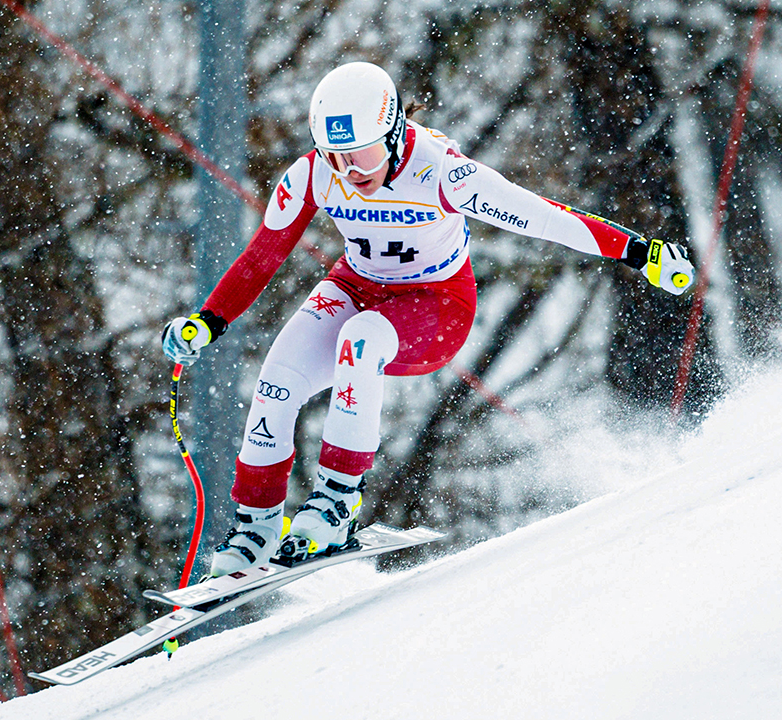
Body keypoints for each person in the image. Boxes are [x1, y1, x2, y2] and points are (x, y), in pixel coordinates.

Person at [162, 61, 694, 577]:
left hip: (436, 306)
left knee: (360, 339)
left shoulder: (442, 173)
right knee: (276, 380)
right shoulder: (311, 176)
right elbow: (263, 255)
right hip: (356, 285)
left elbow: (543, 216)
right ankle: (254, 529)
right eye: (336, 156)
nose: (351, 172)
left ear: (393, 132)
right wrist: (208, 321)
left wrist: (639, 252)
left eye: (363, 154)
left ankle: (335, 504)